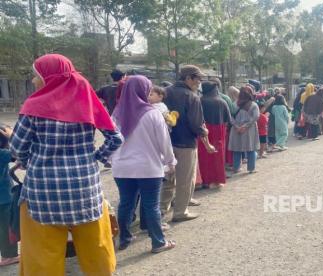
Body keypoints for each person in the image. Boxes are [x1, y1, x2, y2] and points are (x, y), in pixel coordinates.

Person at [9, 54, 122, 276]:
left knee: (43, 254)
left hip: (43, 193)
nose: (33, 81)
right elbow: (115, 138)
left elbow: (17, 148)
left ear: (48, 77)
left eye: (36, 76)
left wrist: (25, 159)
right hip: (85, 190)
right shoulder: (87, 100)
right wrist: (95, 157)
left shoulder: (34, 106)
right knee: (96, 248)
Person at [111, 75, 176, 253]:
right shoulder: (153, 113)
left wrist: (111, 160)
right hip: (148, 167)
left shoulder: (116, 114)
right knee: (151, 205)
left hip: (122, 168)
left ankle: (124, 238)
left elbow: (112, 142)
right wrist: (170, 161)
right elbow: (164, 142)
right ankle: (158, 242)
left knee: (126, 203)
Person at [161, 65, 209, 223]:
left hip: (166, 142)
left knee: (168, 177)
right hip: (186, 143)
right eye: (198, 79)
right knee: (185, 179)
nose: (199, 82)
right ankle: (180, 211)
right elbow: (196, 123)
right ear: (188, 78)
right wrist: (204, 134)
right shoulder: (192, 96)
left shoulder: (165, 92)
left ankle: (162, 208)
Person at [198, 81, 231, 188]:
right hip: (219, 130)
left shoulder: (200, 101)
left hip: (203, 131)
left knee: (203, 156)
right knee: (218, 156)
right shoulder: (222, 101)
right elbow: (228, 120)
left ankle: (204, 180)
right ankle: (217, 181)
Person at [228, 86, 260, 174]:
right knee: (251, 148)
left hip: (236, 130)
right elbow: (256, 117)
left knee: (237, 149)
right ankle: (251, 168)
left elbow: (230, 117)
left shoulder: (234, 104)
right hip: (249, 130)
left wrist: (237, 126)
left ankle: (236, 167)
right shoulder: (253, 105)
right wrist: (245, 126)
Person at [0, 126, 19, 267]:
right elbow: (19, 153)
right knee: (6, 227)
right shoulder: (3, 154)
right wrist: (12, 136)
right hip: (4, 198)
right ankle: (8, 256)